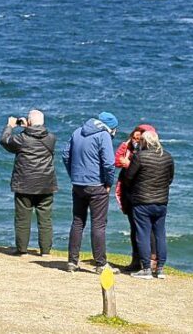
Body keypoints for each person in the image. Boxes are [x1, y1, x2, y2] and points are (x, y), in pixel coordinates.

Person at [62, 111, 118, 273]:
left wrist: (73, 174)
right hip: (97, 184)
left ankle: (72, 261)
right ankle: (101, 264)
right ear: (111, 127)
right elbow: (109, 163)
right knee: (98, 224)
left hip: (78, 183)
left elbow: (66, 155)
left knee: (78, 222)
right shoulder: (103, 135)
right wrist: (109, 182)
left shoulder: (77, 131)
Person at [0, 110, 57, 256]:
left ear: (29, 122)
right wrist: (27, 127)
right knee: (45, 219)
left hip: (24, 184)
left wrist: (10, 126)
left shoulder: (21, 139)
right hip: (46, 184)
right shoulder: (51, 138)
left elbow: (4, 140)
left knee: (23, 218)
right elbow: (37, 136)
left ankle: (22, 250)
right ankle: (45, 251)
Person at [121, 130, 174, 279]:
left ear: (144, 142)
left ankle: (146, 269)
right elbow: (170, 178)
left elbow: (128, 178)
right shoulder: (167, 156)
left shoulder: (139, 156)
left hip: (142, 202)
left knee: (143, 234)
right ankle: (160, 268)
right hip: (161, 202)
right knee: (160, 234)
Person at [115, 123, 157, 272]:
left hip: (142, 195)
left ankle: (151, 261)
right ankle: (136, 260)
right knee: (134, 228)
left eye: (139, 138)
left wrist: (129, 164)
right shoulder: (129, 149)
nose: (135, 141)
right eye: (133, 137)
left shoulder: (150, 154)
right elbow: (117, 160)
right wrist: (124, 144)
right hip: (129, 194)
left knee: (147, 230)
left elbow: (141, 171)